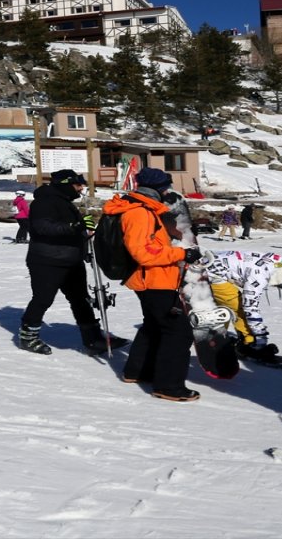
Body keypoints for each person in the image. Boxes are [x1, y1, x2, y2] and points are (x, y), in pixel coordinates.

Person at [102, 167, 200, 402]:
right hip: (153, 279)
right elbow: (144, 254)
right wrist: (180, 254)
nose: (169, 190)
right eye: (166, 186)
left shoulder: (144, 209)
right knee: (178, 332)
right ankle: (169, 386)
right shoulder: (139, 213)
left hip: (153, 278)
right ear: (156, 188)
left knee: (154, 325)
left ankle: (137, 371)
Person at [17, 169, 129, 355]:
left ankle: (92, 337)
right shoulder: (44, 202)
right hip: (47, 260)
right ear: (66, 185)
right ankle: (28, 337)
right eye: (78, 184)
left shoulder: (65, 202)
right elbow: (43, 227)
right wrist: (75, 226)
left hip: (71, 259)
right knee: (43, 299)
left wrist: (85, 233)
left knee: (80, 299)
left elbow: (73, 230)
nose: (81, 188)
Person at [198, 250, 282, 363]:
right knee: (237, 307)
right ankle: (248, 342)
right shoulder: (259, 276)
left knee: (226, 304)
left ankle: (215, 335)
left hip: (212, 264)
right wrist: (260, 336)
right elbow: (250, 307)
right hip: (212, 272)